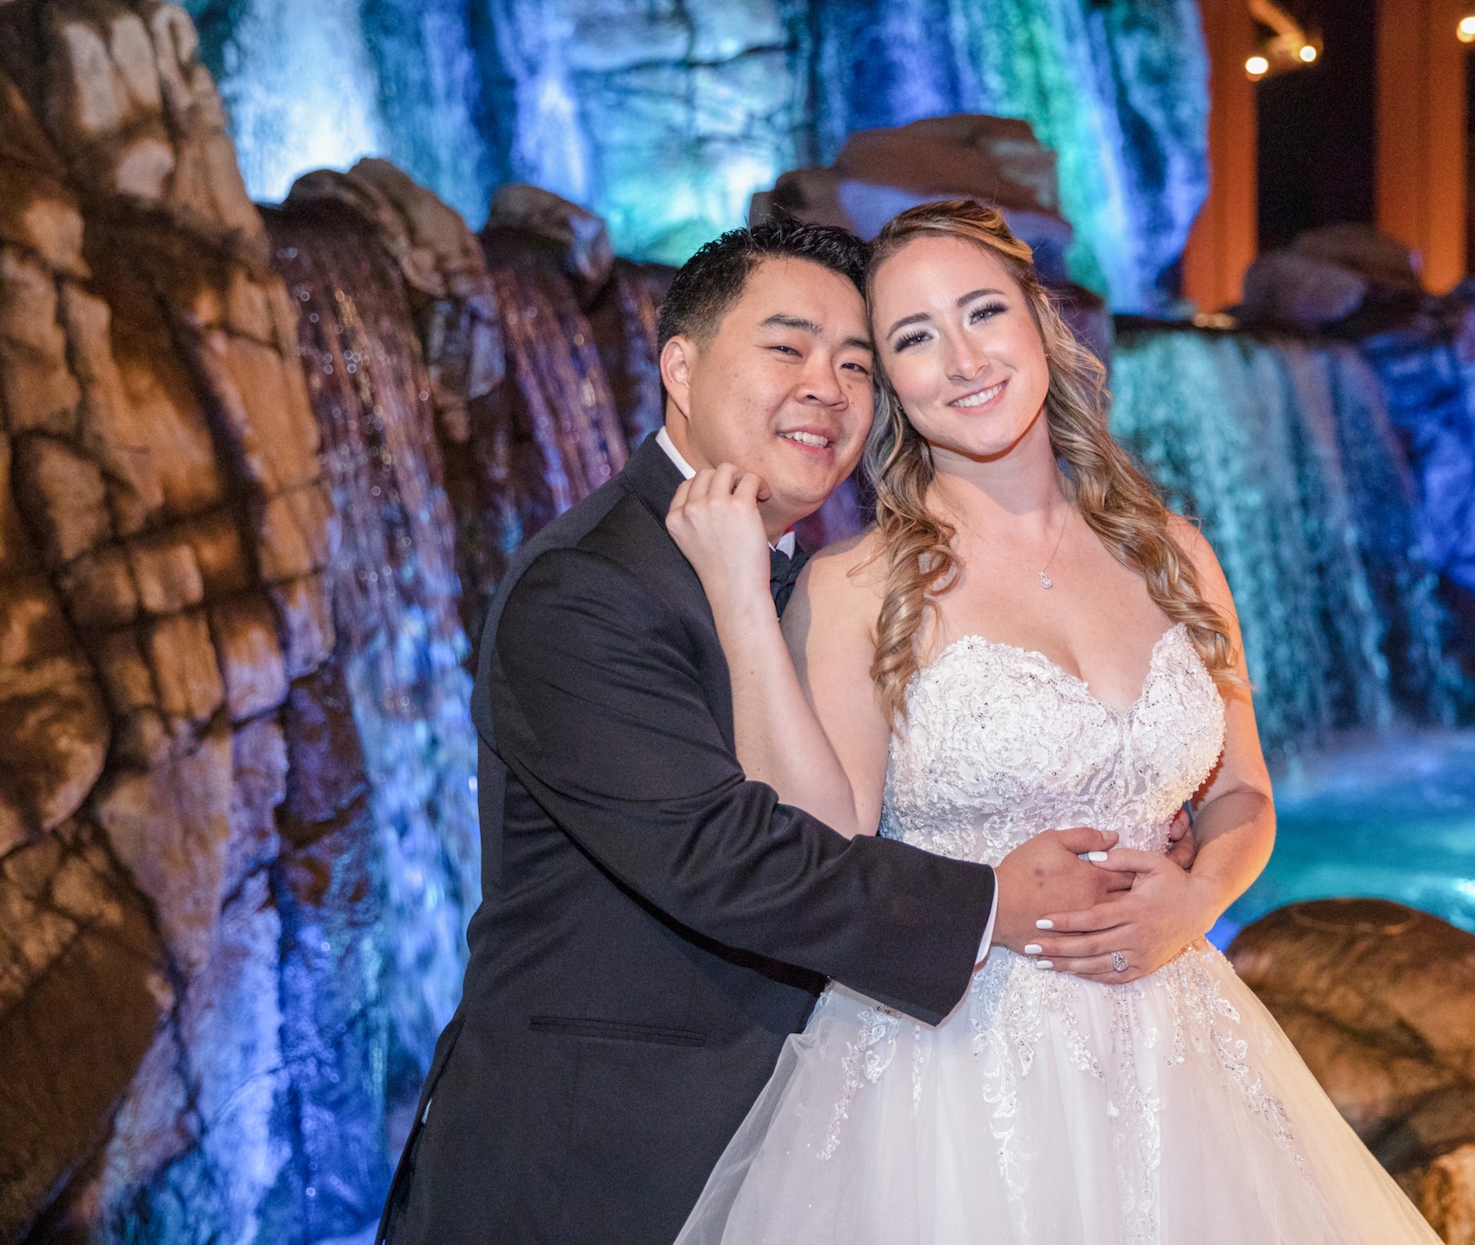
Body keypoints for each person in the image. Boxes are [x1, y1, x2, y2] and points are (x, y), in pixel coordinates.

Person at [377, 219, 1179, 1245]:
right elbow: (720, 855)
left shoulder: (826, 582)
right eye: (786, 347)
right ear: (680, 363)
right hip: (598, 1162)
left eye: (857, 362)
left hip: (807, 1143)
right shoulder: (585, 588)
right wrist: (992, 903)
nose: (827, 386)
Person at [665, 200, 1447, 1244]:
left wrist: (1196, 896)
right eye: (911, 338)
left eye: (981, 311)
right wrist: (738, 599)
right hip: (946, 1081)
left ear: (1038, 320)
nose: (960, 359)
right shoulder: (854, 587)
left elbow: (1243, 794)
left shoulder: (1176, 555)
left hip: (1180, 1054)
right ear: (890, 383)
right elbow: (822, 851)